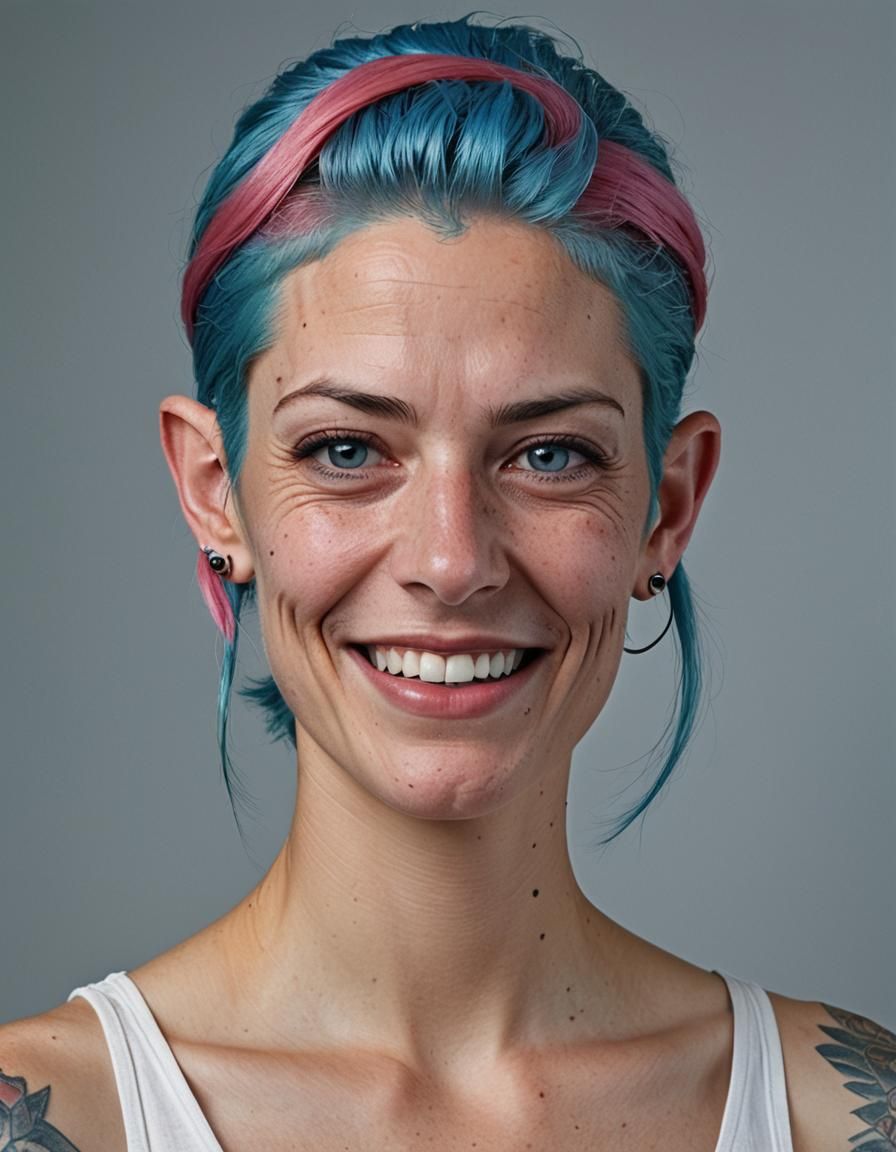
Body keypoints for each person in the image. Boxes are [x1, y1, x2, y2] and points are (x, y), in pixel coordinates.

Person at [1, 13, 892, 1151]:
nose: (449, 560)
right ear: (216, 490)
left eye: (548, 454)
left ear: (664, 506)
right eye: (344, 451)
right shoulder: (51, 1115)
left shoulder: (847, 1117)